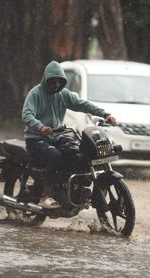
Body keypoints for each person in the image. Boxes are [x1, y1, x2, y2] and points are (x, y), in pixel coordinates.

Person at [22, 61, 117, 209]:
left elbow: (83, 104)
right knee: (54, 156)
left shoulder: (64, 94)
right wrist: (40, 127)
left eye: (59, 81)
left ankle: (70, 188)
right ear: (46, 79)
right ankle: (45, 195)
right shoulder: (35, 94)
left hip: (56, 136)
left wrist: (105, 114)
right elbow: (27, 115)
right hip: (36, 138)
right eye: (53, 81)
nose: (56, 84)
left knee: (78, 153)